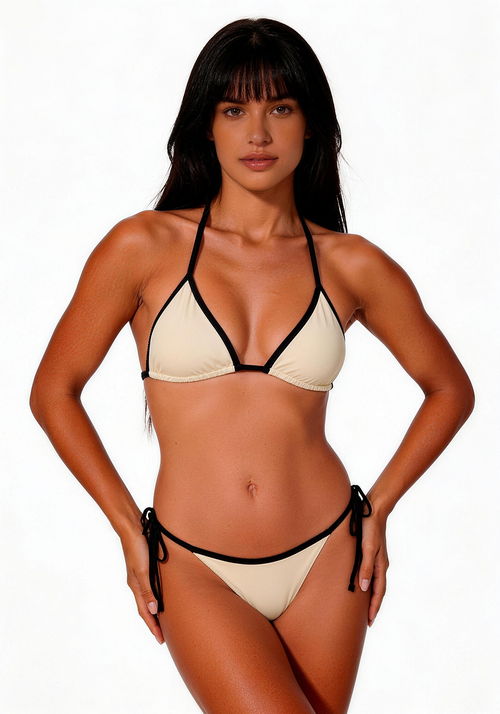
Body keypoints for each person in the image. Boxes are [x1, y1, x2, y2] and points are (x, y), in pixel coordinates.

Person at [30, 17, 474, 714]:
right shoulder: (143, 248)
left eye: (280, 108)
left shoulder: (352, 264)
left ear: (311, 123)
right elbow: (53, 390)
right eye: (234, 110)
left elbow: (450, 389)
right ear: (206, 126)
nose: (258, 133)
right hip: (194, 562)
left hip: (327, 554)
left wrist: (378, 508)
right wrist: (127, 526)